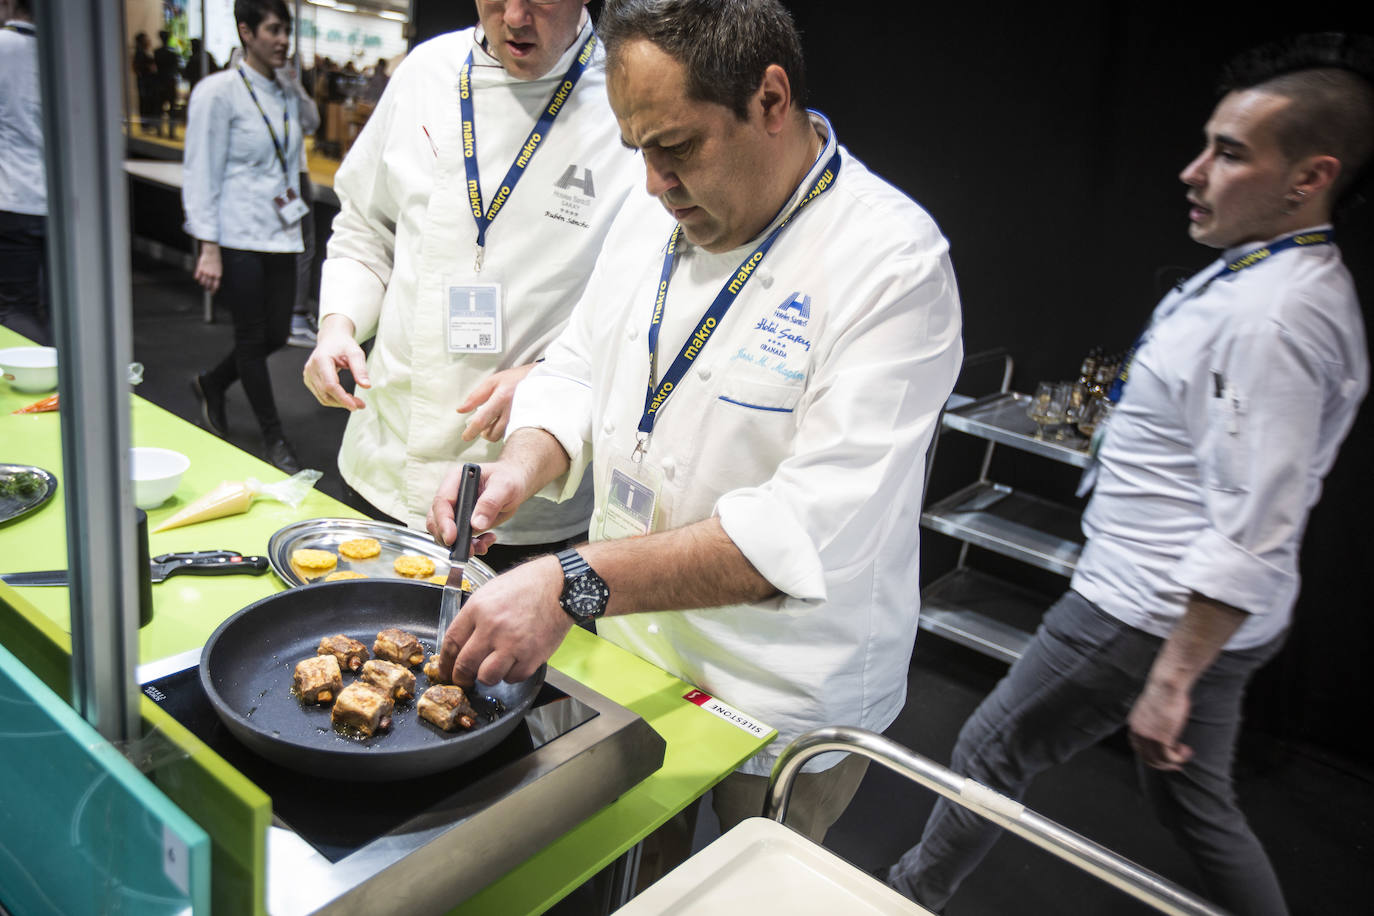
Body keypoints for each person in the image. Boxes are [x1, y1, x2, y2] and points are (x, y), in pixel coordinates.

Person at [425, 0, 962, 866]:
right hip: (636, 647)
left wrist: (569, 582)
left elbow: (796, 536)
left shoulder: (892, 264)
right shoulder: (655, 212)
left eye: (675, 146)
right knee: (623, 864)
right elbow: (575, 367)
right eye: (638, 149)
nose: (652, 183)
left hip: (785, 689)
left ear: (771, 99)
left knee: (748, 884)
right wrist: (518, 470)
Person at [884, 33, 1373, 916]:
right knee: (1191, 802)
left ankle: (906, 896)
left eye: (1229, 154)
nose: (1193, 171)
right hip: (1179, 606)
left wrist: (1174, 677)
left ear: (1310, 177)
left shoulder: (1277, 318)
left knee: (991, 751)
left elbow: (1257, 521)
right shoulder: (1271, 278)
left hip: (1143, 609)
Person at [303, 0, 640, 568]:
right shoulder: (426, 72)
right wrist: (338, 324)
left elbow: (646, 300)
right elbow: (367, 226)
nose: (513, 17)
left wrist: (547, 378)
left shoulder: (625, 99)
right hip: (386, 456)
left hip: (523, 496)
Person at [183, 0, 306, 472]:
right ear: (245, 31)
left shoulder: (286, 92)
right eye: (273, 30)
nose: (282, 40)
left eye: (285, 30)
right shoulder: (218, 92)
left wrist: (295, 89)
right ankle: (274, 438)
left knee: (276, 333)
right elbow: (201, 171)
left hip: (282, 231)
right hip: (236, 232)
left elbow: (307, 129)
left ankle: (213, 381)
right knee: (253, 338)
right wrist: (208, 245)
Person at [0, 0, 49, 346]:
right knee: (63, 304)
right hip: (61, 203)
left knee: (16, 308)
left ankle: (45, 385)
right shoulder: (63, 52)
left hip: (12, 196)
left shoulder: (3, 46)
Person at [153, 30, 181, 137]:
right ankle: (170, 132)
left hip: (161, 81)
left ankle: (160, 130)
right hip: (169, 81)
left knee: (160, 107)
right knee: (171, 107)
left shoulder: (157, 52)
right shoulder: (171, 53)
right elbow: (176, 68)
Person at [132, 31, 157, 134]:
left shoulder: (141, 53)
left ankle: (146, 124)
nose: (149, 41)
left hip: (144, 81)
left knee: (145, 102)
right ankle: (146, 125)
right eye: (146, 39)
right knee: (145, 103)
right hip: (145, 82)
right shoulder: (140, 54)